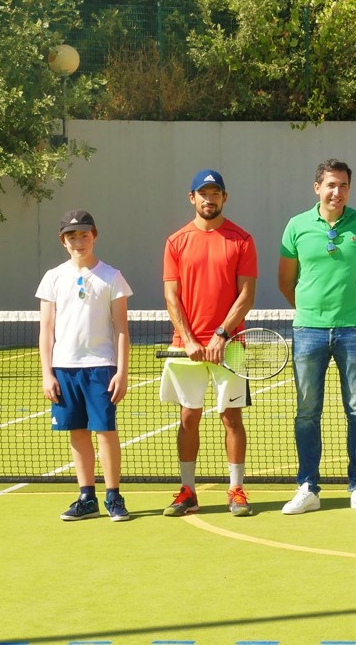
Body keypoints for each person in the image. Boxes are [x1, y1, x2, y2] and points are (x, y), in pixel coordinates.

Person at [279, 159, 356, 515]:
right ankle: (308, 486)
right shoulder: (296, 226)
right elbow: (286, 281)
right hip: (308, 332)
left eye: (344, 186)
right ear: (317, 187)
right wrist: (311, 312)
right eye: (331, 185)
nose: (337, 192)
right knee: (307, 411)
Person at [160, 169, 257, 517]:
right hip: (186, 348)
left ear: (224, 198)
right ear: (192, 198)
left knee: (231, 417)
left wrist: (221, 335)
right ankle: (188, 491)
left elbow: (246, 294)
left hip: (229, 347)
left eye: (215, 193)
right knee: (188, 417)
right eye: (203, 193)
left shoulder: (241, 239)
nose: (209, 198)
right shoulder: (176, 242)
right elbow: (172, 297)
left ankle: (236, 490)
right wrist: (188, 339)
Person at [37, 210, 132, 522]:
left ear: (95, 235)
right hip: (64, 370)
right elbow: (46, 330)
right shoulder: (53, 277)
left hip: (101, 368)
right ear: (63, 240)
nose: (79, 241)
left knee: (105, 431)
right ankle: (86, 497)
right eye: (72, 236)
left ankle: (114, 496)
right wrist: (47, 373)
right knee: (77, 432)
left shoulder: (112, 277)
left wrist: (121, 371)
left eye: (84, 234)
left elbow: (121, 328)